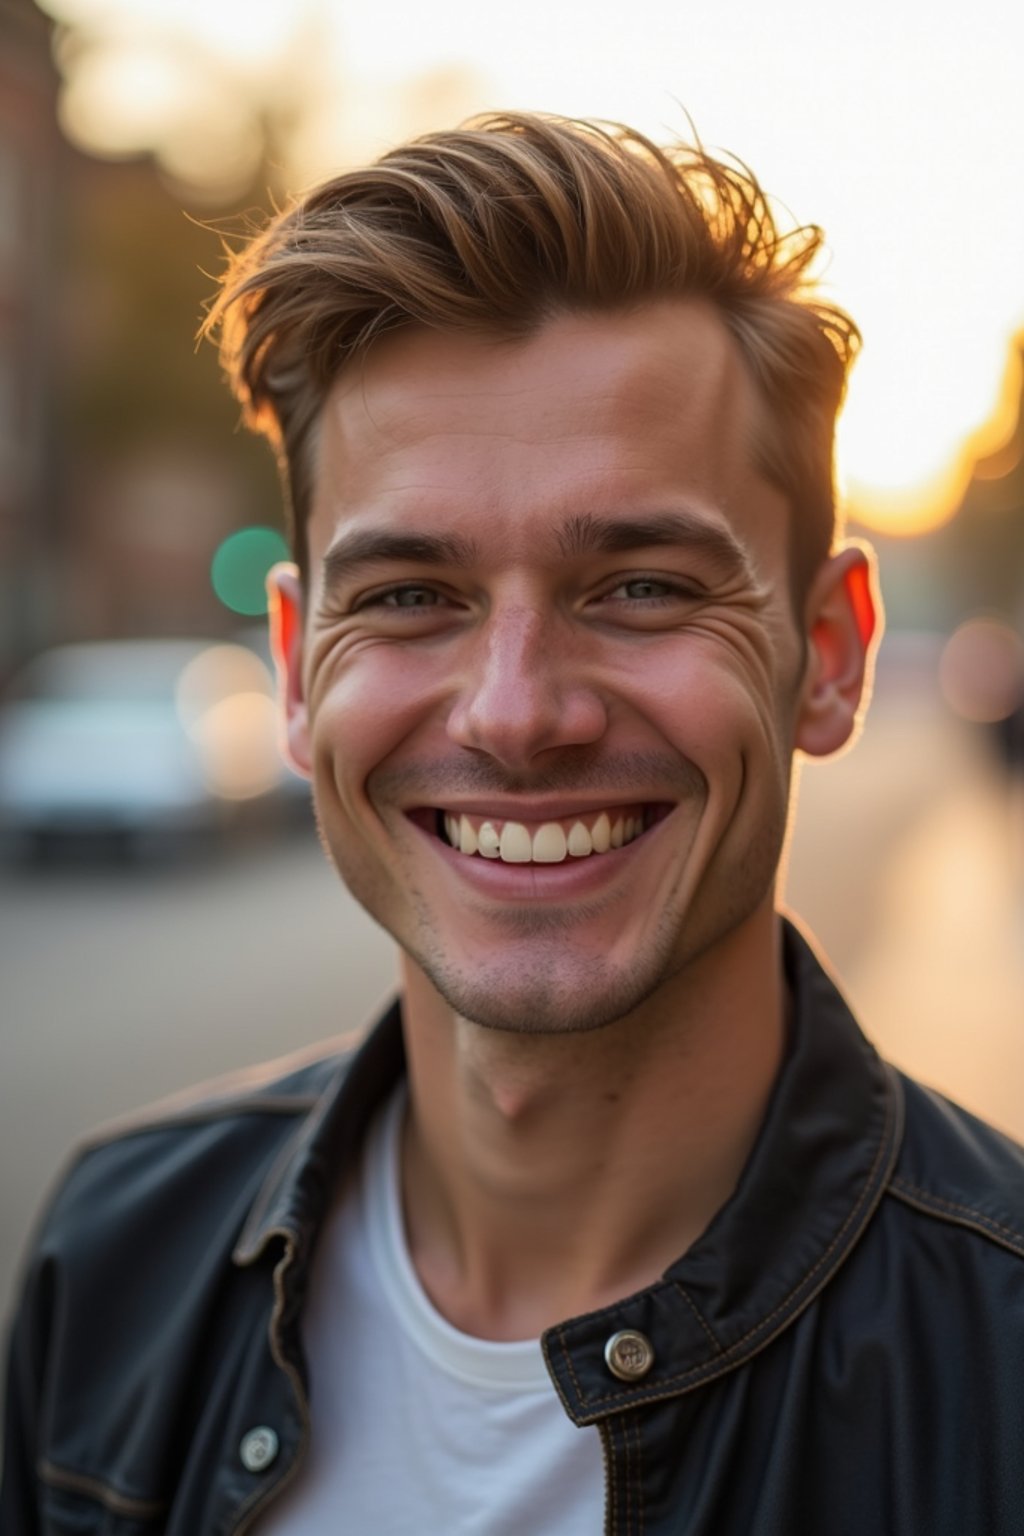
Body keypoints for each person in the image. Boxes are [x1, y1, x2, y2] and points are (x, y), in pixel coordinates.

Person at [3, 112, 1023, 1536]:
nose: (514, 712)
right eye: (412, 595)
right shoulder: (115, 1255)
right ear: (298, 674)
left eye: (645, 587)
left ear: (830, 654)